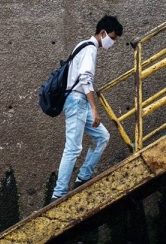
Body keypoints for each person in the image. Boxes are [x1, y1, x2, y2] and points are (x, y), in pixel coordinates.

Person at [51, 15, 124, 202]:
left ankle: (82, 178)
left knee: (102, 137)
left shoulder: (82, 46)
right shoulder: (90, 49)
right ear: (102, 33)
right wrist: (94, 108)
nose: (113, 43)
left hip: (77, 102)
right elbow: (85, 78)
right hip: (77, 102)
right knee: (73, 148)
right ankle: (58, 194)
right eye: (113, 38)